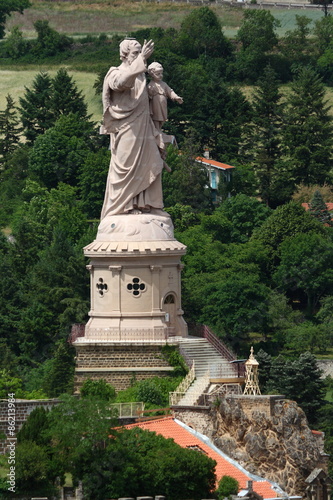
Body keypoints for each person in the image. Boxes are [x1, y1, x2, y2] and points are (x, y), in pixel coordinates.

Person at [100, 38, 164, 217]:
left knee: (151, 164)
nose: (139, 58)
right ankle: (125, 207)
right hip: (126, 129)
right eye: (135, 54)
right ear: (125, 55)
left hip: (144, 128)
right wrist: (141, 59)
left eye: (139, 53)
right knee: (126, 167)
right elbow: (121, 84)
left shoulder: (141, 75)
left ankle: (147, 205)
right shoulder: (115, 73)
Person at [147, 62, 183, 133]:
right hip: (155, 103)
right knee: (156, 117)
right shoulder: (151, 85)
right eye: (158, 74)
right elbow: (148, 95)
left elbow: (170, 91)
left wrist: (176, 97)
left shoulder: (164, 84)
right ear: (152, 75)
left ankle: (159, 129)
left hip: (163, 103)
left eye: (161, 73)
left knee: (163, 117)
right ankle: (156, 130)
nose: (160, 76)